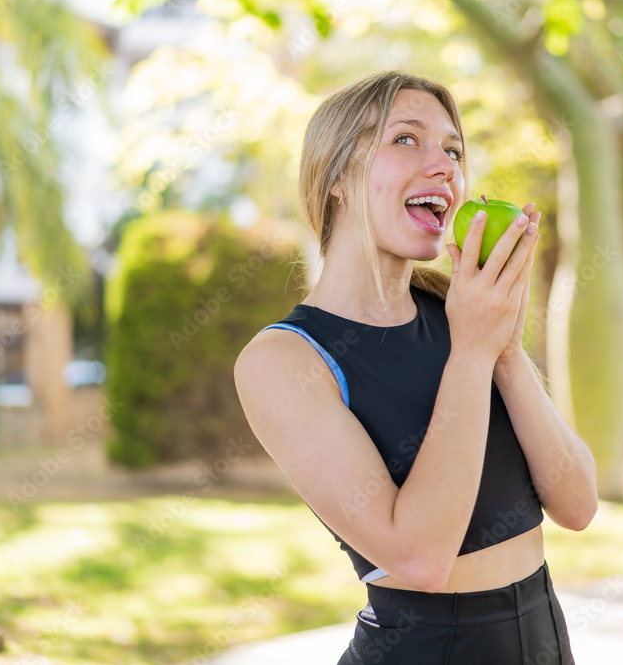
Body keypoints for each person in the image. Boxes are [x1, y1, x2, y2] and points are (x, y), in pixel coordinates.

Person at [233, 70, 598, 665]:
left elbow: (578, 505)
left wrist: (505, 351)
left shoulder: (459, 312)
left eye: (453, 151)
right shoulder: (284, 360)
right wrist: (473, 354)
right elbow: (420, 558)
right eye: (406, 139)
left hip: (546, 639)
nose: (444, 167)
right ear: (336, 177)